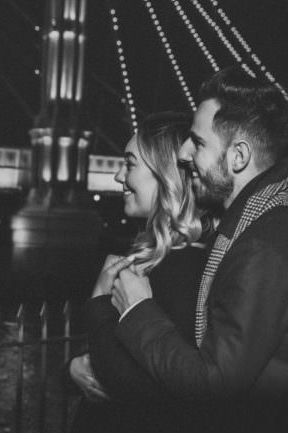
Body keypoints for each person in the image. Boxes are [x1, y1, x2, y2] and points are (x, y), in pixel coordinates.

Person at [111, 67, 288, 432]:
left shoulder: (267, 246)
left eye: (198, 143)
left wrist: (138, 310)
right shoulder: (267, 229)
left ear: (238, 157)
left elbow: (212, 386)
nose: (184, 154)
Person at [68, 111, 206, 433]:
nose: (117, 176)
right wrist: (73, 368)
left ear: (166, 175)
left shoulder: (185, 269)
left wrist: (98, 301)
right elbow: (106, 354)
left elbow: (136, 385)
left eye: (129, 164)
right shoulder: (152, 259)